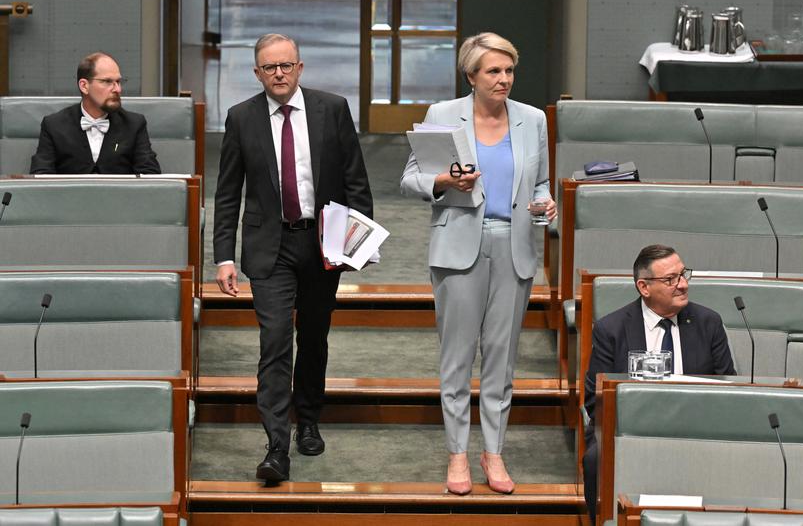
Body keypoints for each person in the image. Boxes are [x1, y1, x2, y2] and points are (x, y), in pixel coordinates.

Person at [401, 32, 556, 495]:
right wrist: (446, 181)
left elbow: (541, 183)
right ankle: (456, 455)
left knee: (501, 361)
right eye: (494, 71)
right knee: (457, 358)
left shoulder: (533, 120)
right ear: (472, 76)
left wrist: (547, 205)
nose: (504, 79)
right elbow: (412, 178)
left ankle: (493, 453)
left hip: (515, 247)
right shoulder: (443, 116)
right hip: (459, 247)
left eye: (509, 71)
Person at [213, 33, 373, 484]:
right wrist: (223, 256)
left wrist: (356, 243)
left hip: (322, 243)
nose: (279, 74)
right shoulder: (241, 118)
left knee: (315, 335)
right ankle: (277, 446)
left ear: (299, 68)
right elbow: (228, 194)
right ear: (257, 73)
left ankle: (310, 418)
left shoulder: (332, 109)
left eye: (286, 66)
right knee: (276, 338)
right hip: (270, 247)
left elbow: (356, 182)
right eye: (269, 67)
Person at [582, 244, 736, 523]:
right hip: (630, 430)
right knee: (595, 459)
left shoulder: (708, 323)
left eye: (683, 274)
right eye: (671, 279)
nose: (683, 284)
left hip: (698, 429)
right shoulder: (611, 329)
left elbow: (729, 392)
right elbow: (594, 401)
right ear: (644, 287)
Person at [30, 52, 160, 174]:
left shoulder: (134, 124)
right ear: (84, 86)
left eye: (118, 82)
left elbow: (150, 177)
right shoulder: (54, 125)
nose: (117, 89)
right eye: (108, 82)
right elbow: (41, 177)